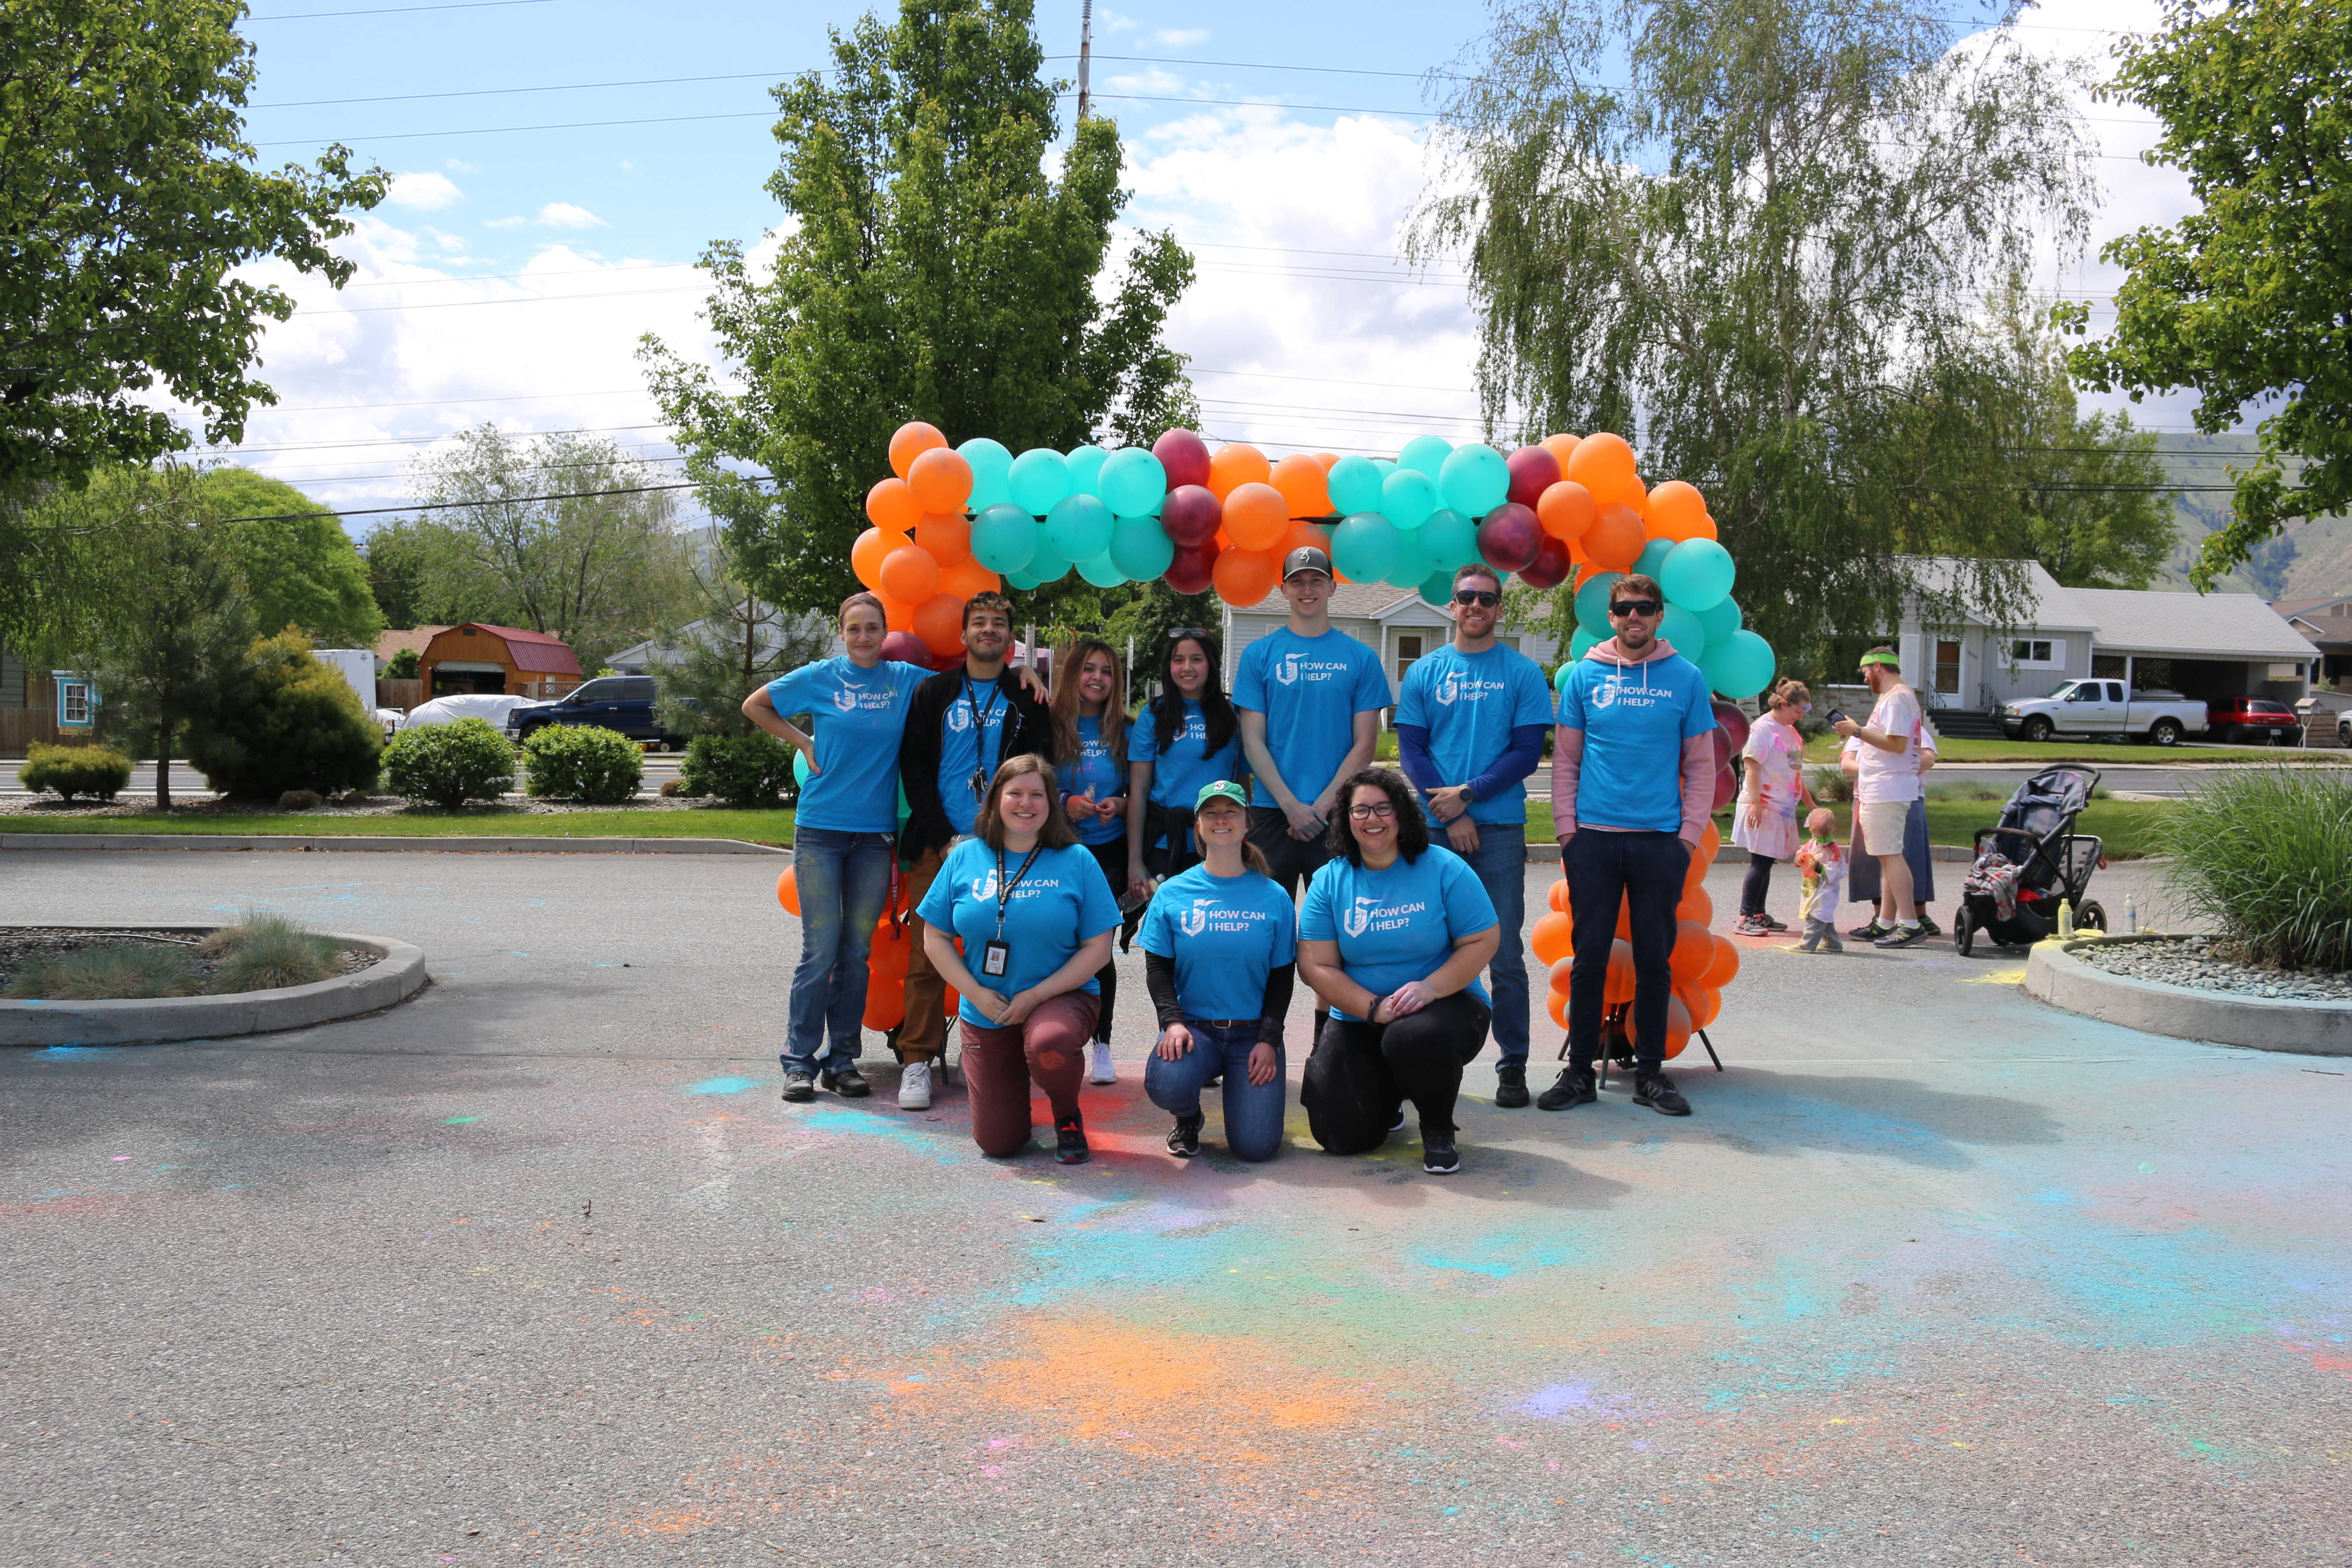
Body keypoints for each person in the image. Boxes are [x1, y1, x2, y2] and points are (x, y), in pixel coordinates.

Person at [744, 591, 934, 1104]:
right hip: (821, 832)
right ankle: (799, 1063)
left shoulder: (904, 680)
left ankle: (843, 1060)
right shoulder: (819, 677)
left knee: (856, 952)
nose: (864, 637)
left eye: (873, 628)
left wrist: (1025, 675)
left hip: (875, 838)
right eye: (854, 629)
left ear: (885, 631)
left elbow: (965, 688)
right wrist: (802, 742)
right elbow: (755, 705)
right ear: (842, 631)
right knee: (820, 952)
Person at [1540, 572, 1716, 1118]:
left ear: (1660, 616)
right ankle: (1578, 1075)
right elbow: (1566, 761)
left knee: (1654, 963)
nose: (1634, 617)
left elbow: (1702, 766)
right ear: (1611, 617)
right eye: (1624, 609)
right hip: (1592, 840)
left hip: (1658, 843)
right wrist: (1567, 831)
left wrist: (1687, 838)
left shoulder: (1686, 679)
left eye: (1644, 608)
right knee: (1589, 960)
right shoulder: (1586, 676)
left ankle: (1651, 1076)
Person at [1393, 562, 1553, 1109]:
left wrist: (1470, 796)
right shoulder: (1425, 672)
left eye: (1487, 598)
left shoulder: (1523, 673)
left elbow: (1527, 753)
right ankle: (1423, 1059)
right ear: (1453, 605)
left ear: (1499, 608)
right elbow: (1412, 752)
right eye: (1467, 597)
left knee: (1504, 953)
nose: (1476, 606)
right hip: (1434, 833)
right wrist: (1451, 807)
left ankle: (1513, 1066)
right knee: (1426, 949)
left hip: (1501, 831)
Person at [914, 754, 1121, 1164]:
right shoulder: (964, 856)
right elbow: (934, 937)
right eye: (1015, 793)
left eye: (1037, 795)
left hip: (1059, 998)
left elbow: (1098, 949)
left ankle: (1066, 1114)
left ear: (1051, 804)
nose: (1026, 804)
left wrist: (1036, 995)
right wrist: (975, 993)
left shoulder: (1077, 860)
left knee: (1050, 1044)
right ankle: (1011, 1096)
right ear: (996, 800)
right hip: (986, 1006)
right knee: (999, 1144)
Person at [1297, 768, 1502, 1175]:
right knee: (1341, 1136)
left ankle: (1438, 1129)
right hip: (1363, 1013)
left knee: (1412, 1037)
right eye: (1360, 811)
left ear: (1401, 813)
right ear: (1346, 819)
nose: (1372, 819)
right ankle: (1389, 1094)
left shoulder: (1443, 868)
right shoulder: (1329, 881)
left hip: (1443, 1008)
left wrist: (1429, 989)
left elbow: (1483, 940)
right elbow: (1316, 965)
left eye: (1382, 808)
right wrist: (1372, 1008)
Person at [895, 592, 1054, 1111]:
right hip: (938, 847)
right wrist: (944, 838)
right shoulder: (933, 692)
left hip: (1006, 850)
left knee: (1009, 954)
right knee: (926, 956)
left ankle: (997, 1054)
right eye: (980, 623)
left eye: (999, 624)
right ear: (963, 636)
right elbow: (914, 771)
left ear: (1011, 639)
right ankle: (916, 1060)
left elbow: (1040, 773)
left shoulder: (1028, 697)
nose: (989, 630)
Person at [1139, 781, 1298, 1162]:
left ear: (1247, 824)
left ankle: (1245, 1098)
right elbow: (1158, 967)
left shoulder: (1274, 896)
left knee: (1256, 1148)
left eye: (1231, 811)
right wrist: (1172, 1022)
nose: (1221, 819)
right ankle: (1189, 1117)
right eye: (1211, 812)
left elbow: (1282, 976)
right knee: (1167, 1083)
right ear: (1198, 825)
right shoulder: (1174, 892)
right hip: (1195, 1029)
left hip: (1253, 1036)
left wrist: (1268, 1038)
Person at [1233, 546, 1392, 896]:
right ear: (1284, 589)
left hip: (1338, 811)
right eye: (1298, 581)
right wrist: (1291, 806)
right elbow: (1252, 741)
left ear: (1332, 588)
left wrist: (1321, 807)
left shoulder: (1361, 657)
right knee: (1267, 927)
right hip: (1273, 812)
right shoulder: (1259, 655)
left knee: (1342, 926)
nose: (1308, 589)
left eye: (1317, 581)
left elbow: (1365, 744)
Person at [1048, 638, 1133, 1086]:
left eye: (1106, 671)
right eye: (1089, 669)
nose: (1098, 678)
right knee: (1053, 943)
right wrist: (1066, 800)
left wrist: (1118, 805)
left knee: (1099, 951)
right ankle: (1050, 1039)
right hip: (1057, 850)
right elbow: (1035, 779)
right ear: (1072, 675)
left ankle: (1102, 1044)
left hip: (1109, 853)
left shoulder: (1127, 728)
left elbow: (1143, 791)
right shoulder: (1051, 724)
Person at [1126, 627, 1246, 894]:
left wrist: (1246, 839)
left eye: (1197, 659)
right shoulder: (1153, 715)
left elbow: (1241, 785)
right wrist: (1135, 860)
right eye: (1178, 660)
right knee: (1166, 927)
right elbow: (1138, 793)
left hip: (1220, 843)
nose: (1187, 668)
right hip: (1164, 844)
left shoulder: (1232, 716)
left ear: (1211, 665)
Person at [1832, 647, 1930, 949]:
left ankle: (1911, 923)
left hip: (1886, 788)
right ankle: (1886, 922)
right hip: (1886, 787)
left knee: (1891, 856)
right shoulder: (1896, 697)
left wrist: (1857, 731)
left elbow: (1897, 744)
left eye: (1865, 672)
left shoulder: (1897, 698)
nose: (1864, 678)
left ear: (1877, 667)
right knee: (1889, 856)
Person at [1729, 679, 1817, 936]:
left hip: (1782, 808)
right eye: (1798, 711)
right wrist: (1756, 803)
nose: (1800, 717)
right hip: (1764, 805)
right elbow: (1752, 766)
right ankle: (1745, 917)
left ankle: (1758, 913)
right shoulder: (1763, 729)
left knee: (1768, 861)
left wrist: (1810, 804)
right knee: (1762, 861)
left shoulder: (1790, 731)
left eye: (1803, 713)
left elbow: (1796, 772)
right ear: (1783, 704)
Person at [1844, 707, 1940, 938]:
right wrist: (1876, 771)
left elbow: (1928, 757)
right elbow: (1847, 764)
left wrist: (1894, 771)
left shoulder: (1913, 729)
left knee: (1910, 857)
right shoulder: (1866, 733)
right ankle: (1883, 919)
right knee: (1875, 860)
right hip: (1870, 796)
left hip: (1905, 796)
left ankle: (1917, 916)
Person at [1792, 807, 1847, 954]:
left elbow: (1837, 869)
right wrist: (1800, 857)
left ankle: (1807, 945)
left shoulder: (1834, 850)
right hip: (1812, 887)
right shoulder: (1811, 844)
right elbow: (1801, 853)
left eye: (1827, 838)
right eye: (1819, 838)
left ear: (1833, 831)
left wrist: (1820, 867)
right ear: (1812, 832)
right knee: (1822, 916)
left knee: (1817, 916)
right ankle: (1833, 943)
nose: (1823, 842)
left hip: (1826, 890)